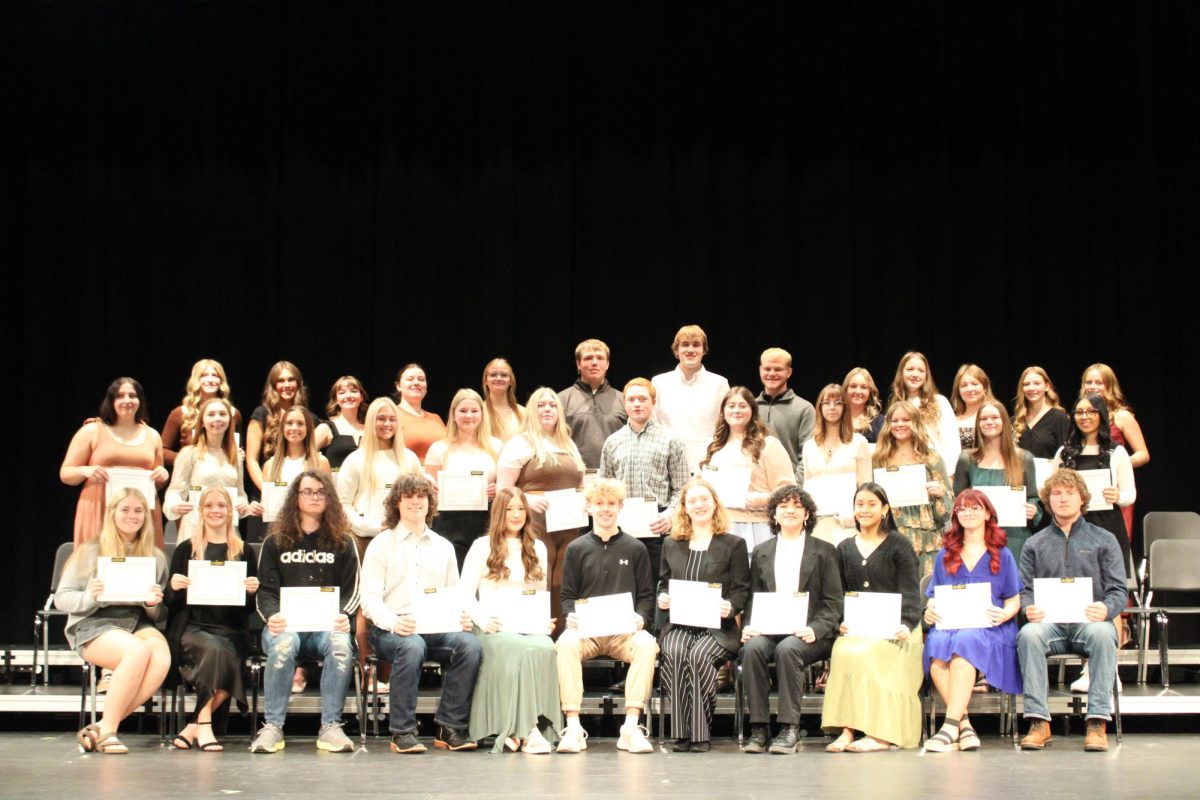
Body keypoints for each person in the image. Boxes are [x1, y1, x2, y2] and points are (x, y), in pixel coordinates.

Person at [360, 475, 481, 754]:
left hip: (435, 625)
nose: (416, 502)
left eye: (421, 496)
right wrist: (394, 622)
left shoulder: (444, 546)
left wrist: (461, 617)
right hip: (391, 629)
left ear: (430, 502)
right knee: (412, 645)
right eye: (409, 496)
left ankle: (449, 727)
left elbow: (455, 595)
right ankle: (402, 731)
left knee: (469, 644)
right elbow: (369, 599)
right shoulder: (381, 544)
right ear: (397, 503)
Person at [250, 471, 360, 754]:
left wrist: (343, 615)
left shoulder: (344, 542)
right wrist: (272, 617)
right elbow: (266, 591)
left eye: (321, 492)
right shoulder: (275, 542)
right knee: (284, 645)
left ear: (330, 498)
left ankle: (331, 726)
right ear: (295, 498)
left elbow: (352, 590)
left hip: (326, 627)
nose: (314, 497)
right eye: (308, 491)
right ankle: (273, 727)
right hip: (285, 626)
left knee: (339, 645)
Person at [1017, 469, 1127, 752]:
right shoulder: (1034, 543)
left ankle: (1097, 721)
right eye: (1056, 494)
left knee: (1104, 634)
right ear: (1047, 500)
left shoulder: (1104, 539)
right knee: (1029, 635)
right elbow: (1024, 590)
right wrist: (1028, 608)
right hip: (1050, 625)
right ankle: (1039, 722)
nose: (1063, 499)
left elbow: (1118, 591)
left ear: (1082, 499)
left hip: (1088, 623)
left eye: (1070, 493)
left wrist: (1106, 608)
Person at [55, 488, 170, 754]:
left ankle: (103, 726)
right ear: (112, 514)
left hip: (135, 622)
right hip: (93, 622)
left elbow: (160, 615)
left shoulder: (156, 557)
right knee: (136, 651)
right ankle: (108, 732)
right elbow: (63, 598)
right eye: (125, 510)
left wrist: (153, 604)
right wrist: (90, 597)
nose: (132, 516)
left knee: (161, 656)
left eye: (139, 510)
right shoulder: (91, 550)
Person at [555, 479, 659, 754]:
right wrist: (570, 615)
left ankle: (631, 726)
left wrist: (642, 618)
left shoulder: (636, 548)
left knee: (648, 644)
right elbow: (567, 595)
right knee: (565, 644)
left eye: (611, 504)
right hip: (586, 632)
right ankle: (574, 726)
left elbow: (647, 595)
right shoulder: (576, 549)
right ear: (588, 508)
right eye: (599, 504)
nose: (605, 509)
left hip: (622, 634)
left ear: (621, 507)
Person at [821, 483, 923, 752]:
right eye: (860, 504)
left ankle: (881, 734)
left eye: (871, 504)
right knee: (844, 651)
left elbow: (911, 593)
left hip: (898, 627)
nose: (864, 510)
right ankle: (847, 730)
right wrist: (841, 621)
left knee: (870, 652)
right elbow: (839, 593)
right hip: (860, 626)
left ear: (885, 509)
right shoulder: (843, 547)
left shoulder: (899, 545)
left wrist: (907, 623)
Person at [740, 486, 842, 755]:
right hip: (770, 629)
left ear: (807, 514)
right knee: (751, 649)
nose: (790, 510)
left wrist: (815, 628)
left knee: (788, 649)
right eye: (783, 506)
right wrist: (750, 625)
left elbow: (834, 602)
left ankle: (789, 727)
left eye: (797, 506)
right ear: (774, 514)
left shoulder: (824, 551)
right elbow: (754, 597)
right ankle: (759, 727)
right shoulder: (762, 552)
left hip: (809, 633)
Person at [460, 488, 562, 753]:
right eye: (509, 509)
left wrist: (544, 622)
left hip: (527, 626)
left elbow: (538, 594)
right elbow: (464, 594)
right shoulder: (482, 546)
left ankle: (524, 728)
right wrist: (482, 620)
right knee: (522, 649)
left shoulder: (537, 547)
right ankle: (529, 730)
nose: (516, 515)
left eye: (520, 509)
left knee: (547, 647)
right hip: (494, 627)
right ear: (498, 513)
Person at [921, 490, 1022, 753]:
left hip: (991, 626)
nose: (968, 513)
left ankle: (949, 725)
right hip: (952, 623)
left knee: (965, 641)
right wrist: (928, 611)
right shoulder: (946, 553)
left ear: (987, 513)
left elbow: (1014, 599)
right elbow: (933, 596)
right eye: (962, 509)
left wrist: (1006, 613)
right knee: (935, 644)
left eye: (975, 508)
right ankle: (963, 725)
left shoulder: (1003, 553)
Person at [163, 486, 260, 752]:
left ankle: (192, 726)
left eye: (221, 506)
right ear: (200, 511)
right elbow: (169, 603)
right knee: (218, 653)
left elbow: (249, 609)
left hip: (231, 629)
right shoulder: (186, 549)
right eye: (209, 506)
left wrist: (252, 592)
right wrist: (173, 586)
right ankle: (205, 727)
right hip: (192, 628)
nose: (215, 511)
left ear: (231, 512)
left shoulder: (244, 551)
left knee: (227, 655)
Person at [657, 478, 750, 752]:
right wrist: (663, 597)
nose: (699, 505)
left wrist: (731, 607)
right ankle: (681, 732)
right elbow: (663, 583)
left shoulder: (734, 544)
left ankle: (699, 732)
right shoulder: (671, 544)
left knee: (698, 655)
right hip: (679, 624)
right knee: (673, 651)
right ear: (684, 507)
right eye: (692, 501)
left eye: (704, 499)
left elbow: (741, 590)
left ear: (714, 503)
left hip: (717, 628)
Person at [1055, 393, 1138, 691]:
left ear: (1102, 415)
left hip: (1107, 528)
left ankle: (1108, 669)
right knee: (1080, 598)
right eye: (1079, 412)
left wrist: (1118, 496)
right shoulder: (1065, 452)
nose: (1085, 416)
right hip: (1072, 530)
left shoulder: (1115, 452)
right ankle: (1089, 668)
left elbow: (1130, 494)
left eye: (1091, 411)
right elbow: (1052, 488)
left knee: (1109, 598)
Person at [336, 397, 423, 675]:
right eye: (381, 419)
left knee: (398, 600)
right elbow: (343, 504)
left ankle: (394, 673)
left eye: (391, 419)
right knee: (368, 605)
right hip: (365, 540)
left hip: (404, 542)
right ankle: (368, 672)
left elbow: (420, 497)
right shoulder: (356, 459)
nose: (387, 424)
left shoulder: (408, 459)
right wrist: (372, 527)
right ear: (371, 422)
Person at [497, 387, 587, 634]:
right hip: (536, 526)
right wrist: (526, 500)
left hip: (568, 527)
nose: (547, 409)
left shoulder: (567, 443)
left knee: (563, 584)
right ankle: (536, 640)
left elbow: (580, 483)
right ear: (532, 411)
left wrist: (585, 499)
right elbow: (504, 489)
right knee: (539, 582)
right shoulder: (521, 442)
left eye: (552, 405)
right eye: (541, 405)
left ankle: (561, 642)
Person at [598, 377, 690, 584]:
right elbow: (604, 489)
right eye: (631, 399)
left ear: (653, 402)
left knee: (657, 587)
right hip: (621, 528)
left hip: (658, 527)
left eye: (642, 399)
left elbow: (683, 488)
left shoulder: (671, 440)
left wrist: (669, 516)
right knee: (623, 585)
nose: (637, 404)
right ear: (625, 403)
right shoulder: (612, 442)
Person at [60, 377, 169, 548]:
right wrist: (85, 471)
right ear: (111, 401)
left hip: (140, 514)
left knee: (140, 566)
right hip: (99, 509)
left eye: (133, 396)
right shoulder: (92, 430)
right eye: (120, 396)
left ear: (140, 400)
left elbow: (157, 483)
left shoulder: (152, 435)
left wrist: (162, 474)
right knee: (96, 566)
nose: (127, 400)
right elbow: (66, 474)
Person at [699, 386, 795, 554]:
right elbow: (699, 486)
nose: (737, 410)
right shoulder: (712, 448)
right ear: (723, 411)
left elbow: (787, 490)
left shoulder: (768, 445)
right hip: (717, 526)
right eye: (731, 405)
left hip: (757, 528)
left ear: (752, 410)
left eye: (742, 406)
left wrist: (756, 500)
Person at [952, 401, 1042, 560]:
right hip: (978, 540)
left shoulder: (1024, 458)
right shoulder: (967, 459)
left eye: (995, 417)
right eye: (983, 419)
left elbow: (1033, 497)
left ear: (1005, 422)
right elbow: (957, 500)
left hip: (1015, 539)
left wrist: (1033, 509)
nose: (989, 422)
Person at [871, 401, 953, 577]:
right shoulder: (878, 459)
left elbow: (946, 511)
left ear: (915, 422)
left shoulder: (932, 458)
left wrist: (940, 494)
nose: (900, 424)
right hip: (890, 535)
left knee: (925, 596)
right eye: (895, 420)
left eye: (906, 420)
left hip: (927, 540)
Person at [424, 389, 502, 570]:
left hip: (487, 521)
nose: (469, 416)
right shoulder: (439, 449)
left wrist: (498, 489)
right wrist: (434, 489)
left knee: (485, 576)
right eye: (463, 411)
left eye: (474, 411)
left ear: (482, 414)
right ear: (453, 414)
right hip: (448, 523)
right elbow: (430, 494)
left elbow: (505, 485)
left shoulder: (496, 446)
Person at [165, 397, 256, 542]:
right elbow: (175, 491)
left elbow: (240, 494)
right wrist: (174, 505)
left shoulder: (235, 456)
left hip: (227, 531)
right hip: (195, 530)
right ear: (202, 422)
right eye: (211, 414)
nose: (217, 418)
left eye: (222, 414)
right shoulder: (189, 453)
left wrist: (242, 504)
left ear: (229, 421)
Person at [1081, 363, 1149, 540]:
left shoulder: (1122, 416)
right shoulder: (1081, 416)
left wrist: (1119, 466)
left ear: (1109, 386)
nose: (1093, 387)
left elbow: (1143, 453)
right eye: (1089, 382)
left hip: (1114, 490)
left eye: (1099, 382)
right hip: (1086, 489)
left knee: (1115, 540)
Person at [798, 384, 872, 546]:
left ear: (845, 407)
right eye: (827, 402)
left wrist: (854, 518)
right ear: (820, 407)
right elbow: (806, 487)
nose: (832, 407)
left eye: (838, 403)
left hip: (846, 524)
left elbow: (866, 488)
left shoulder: (858, 442)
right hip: (817, 524)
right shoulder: (809, 446)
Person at [652, 324, 730, 474]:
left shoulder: (720, 384)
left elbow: (725, 426)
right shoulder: (659, 383)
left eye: (696, 345)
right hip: (667, 462)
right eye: (685, 345)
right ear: (676, 350)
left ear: (704, 350)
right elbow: (654, 425)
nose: (690, 350)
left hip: (708, 462)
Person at [245, 361, 307, 543]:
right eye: (281, 381)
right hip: (266, 496)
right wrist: (268, 490)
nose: (286, 385)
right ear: (273, 385)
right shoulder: (261, 414)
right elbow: (251, 460)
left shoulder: (307, 416)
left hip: (298, 499)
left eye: (291, 380)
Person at [558, 338, 627, 469]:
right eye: (588, 358)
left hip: (615, 476)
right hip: (575, 476)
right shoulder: (560, 400)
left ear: (607, 364)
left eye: (600, 358)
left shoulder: (624, 399)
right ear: (578, 364)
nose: (594, 362)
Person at [161, 359, 243, 468]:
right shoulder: (181, 413)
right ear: (196, 380)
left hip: (223, 479)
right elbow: (162, 452)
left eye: (215, 375)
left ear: (221, 381)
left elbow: (236, 448)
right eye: (204, 375)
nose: (210, 380)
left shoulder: (233, 414)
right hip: (190, 480)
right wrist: (187, 459)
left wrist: (240, 454)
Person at [888, 351, 960, 472]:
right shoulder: (895, 407)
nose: (915, 374)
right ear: (901, 373)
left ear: (926, 375)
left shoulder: (939, 402)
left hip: (935, 470)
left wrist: (949, 474)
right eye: (910, 369)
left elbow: (952, 441)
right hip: (905, 470)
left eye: (921, 371)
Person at [754, 347, 816, 469]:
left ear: (789, 372)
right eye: (767, 369)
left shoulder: (805, 409)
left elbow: (808, 455)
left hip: (790, 484)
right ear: (760, 370)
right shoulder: (750, 408)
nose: (772, 373)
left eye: (778, 369)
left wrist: (794, 487)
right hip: (756, 484)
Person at [1012, 366, 1072, 460]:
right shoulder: (1015, 421)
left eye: (1037, 383)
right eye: (1026, 384)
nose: (1031, 388)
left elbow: (1066, 457)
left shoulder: (1059, 419)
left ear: (1047, 386)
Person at [261, 406, 331, 483]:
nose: (294, 428)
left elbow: (328, 494)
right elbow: (266, 495)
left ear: (308, 429)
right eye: (289, 423)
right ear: (282, 428)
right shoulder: (269, 466)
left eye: (300, 424)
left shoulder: (321, 462)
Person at [394, 363, 448, 463]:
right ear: (398, 386)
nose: (416, 383)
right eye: (410, 379)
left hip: (437, 476)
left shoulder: (436, 418)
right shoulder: (392, 415)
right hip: (407, 476)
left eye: (421, 379)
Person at [315, 376, 368, 470]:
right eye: (342, 393)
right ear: (336, 399)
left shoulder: (369, 429)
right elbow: (306, 456)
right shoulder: (326, 428)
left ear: (361, 397)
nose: (348, 396)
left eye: (354, 391)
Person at [949, 363, 993, 451]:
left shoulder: (995, 417)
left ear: (984, 387)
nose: (969, 389)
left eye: (974, 384)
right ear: (958, 391)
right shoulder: (951, 421)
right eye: (964, 385)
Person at [482, 357, 526, 442]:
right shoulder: (477, 412)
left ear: (510, 381)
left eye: (504, 375)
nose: (498, 378)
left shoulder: (524, 413)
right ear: (485, 381)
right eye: (493, 375)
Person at [843, 367, 884, 444]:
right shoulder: (836, 419)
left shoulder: (880, 422)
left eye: (863, 387)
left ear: (870, 392)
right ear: (846, 389)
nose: (858, 391)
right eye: (853, 386)